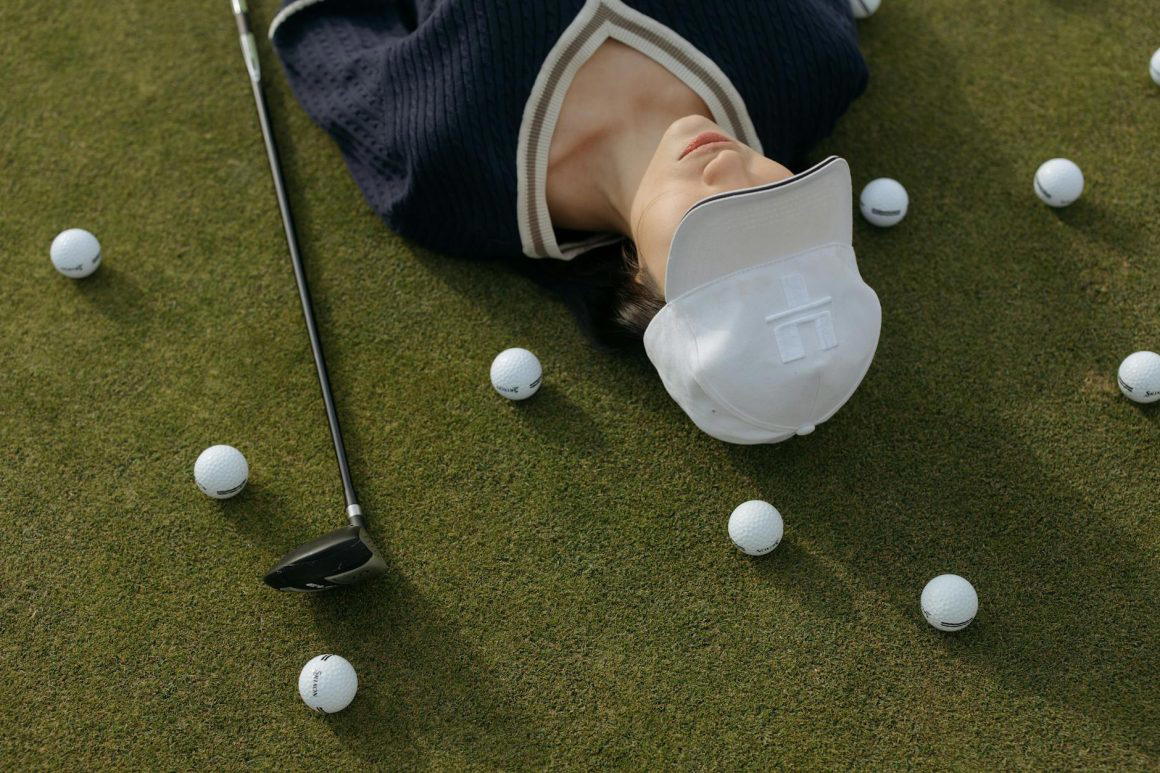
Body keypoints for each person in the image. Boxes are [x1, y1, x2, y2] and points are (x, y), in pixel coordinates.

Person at [270, 0, 882, 444]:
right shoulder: (810, 61)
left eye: (717, 224)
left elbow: (324, 30)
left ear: (644, 288)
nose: (730, 175)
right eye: (781, 203)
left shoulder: (441, 173)